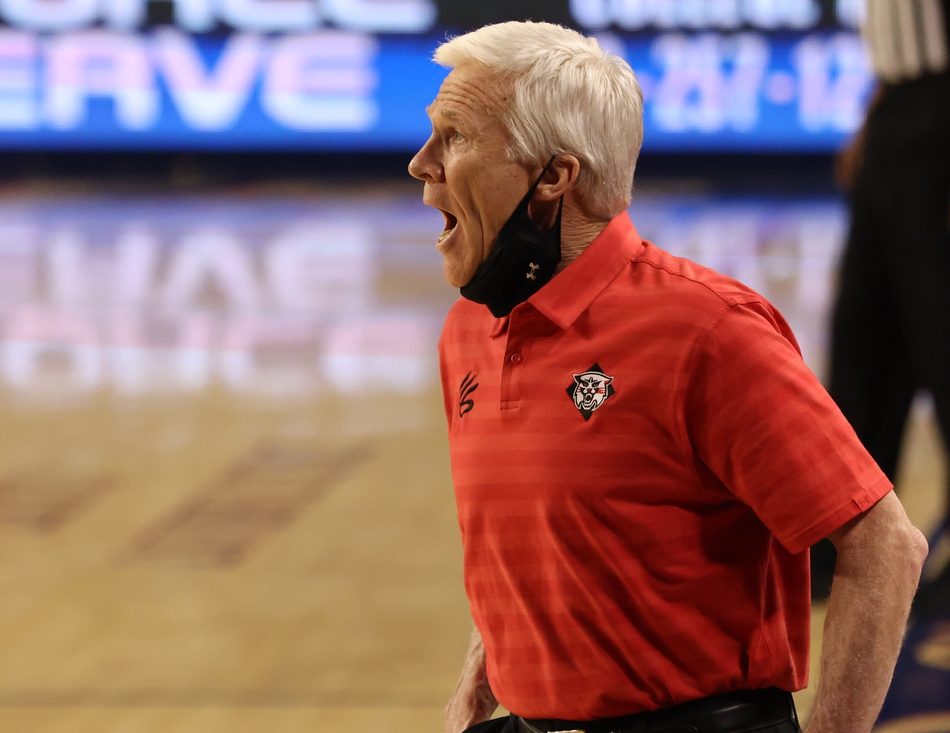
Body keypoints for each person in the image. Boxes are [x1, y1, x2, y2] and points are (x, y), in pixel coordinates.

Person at [407, 21, 929, 733]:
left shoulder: (708, 330)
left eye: (456, 136)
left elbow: (886, 544)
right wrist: (498, 644)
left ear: (554, 177)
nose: (420, 162)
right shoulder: (469, 328)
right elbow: (544, 529)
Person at [813, 0, 950, 613]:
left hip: (941, 118)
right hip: (899, 110)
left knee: (941, 340)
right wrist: (876, 120)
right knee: (865, 342)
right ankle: (848, 541)